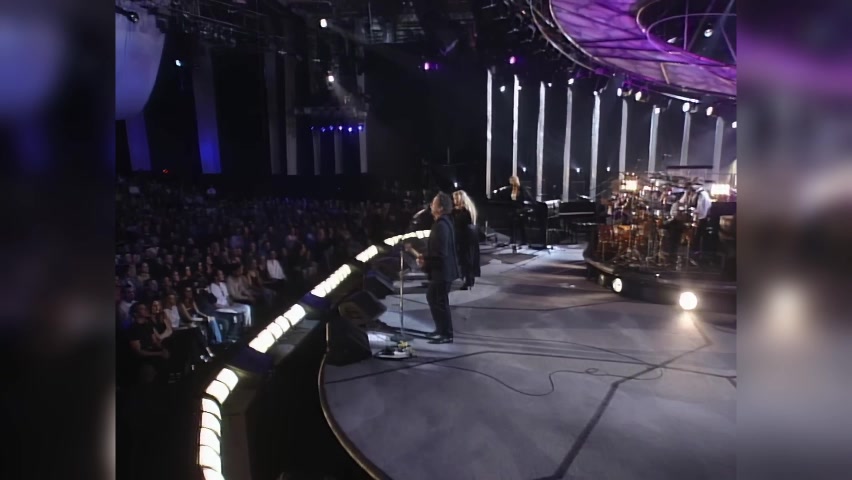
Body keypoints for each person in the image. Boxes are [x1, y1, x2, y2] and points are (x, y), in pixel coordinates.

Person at [415, 192, 459, 344]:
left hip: (442, 272)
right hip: (442, 271)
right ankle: (441, 330)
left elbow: (441, 252)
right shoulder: (443, 223)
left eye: (433, 203)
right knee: (436, 299)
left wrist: (425, 260)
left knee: (438, 301)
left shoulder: (441, 225)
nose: (430, 206)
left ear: (440, 208)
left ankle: (446, 333)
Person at [452, 190, 481, 289]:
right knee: (469, 258)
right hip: (470, 237)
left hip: (465, 237)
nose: (454, 201)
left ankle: (468, 280)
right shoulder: (470, 209)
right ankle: (469, 279)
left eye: (456, 198)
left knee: (466, 259)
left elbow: (459, 223)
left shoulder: (464, 211)